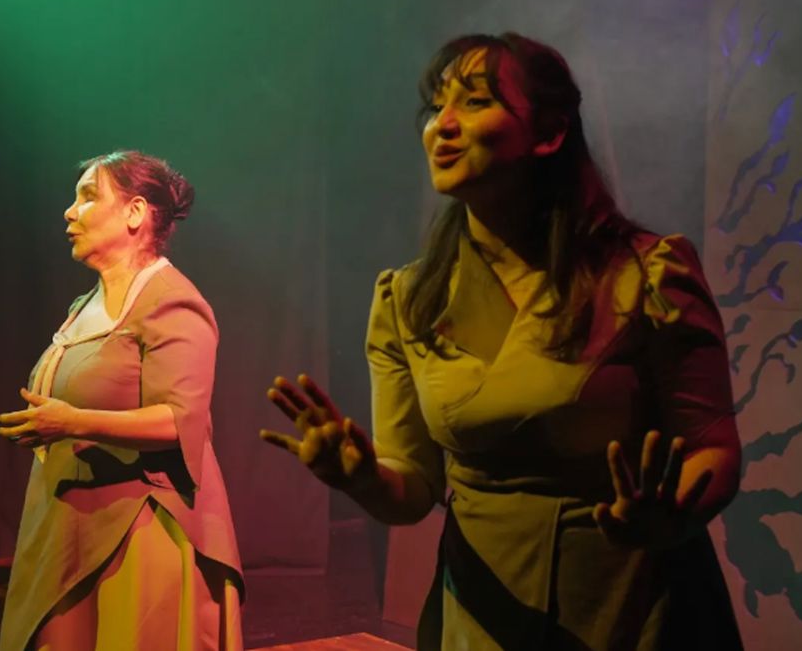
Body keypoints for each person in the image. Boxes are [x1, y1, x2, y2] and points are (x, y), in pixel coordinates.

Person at [260, 33, 743, 650]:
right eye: (436, 106)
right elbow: (413, 488)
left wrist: (673, 515)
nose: (442, 125)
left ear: (549, 132)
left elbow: (713, 447)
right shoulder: (408, 300)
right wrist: (360, 477)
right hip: (484, 615)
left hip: (633, 606)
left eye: (474, 101)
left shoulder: (647, 275)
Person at [0, 151, 243, 650]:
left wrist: (73, 422)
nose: (70, 211)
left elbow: (181, 421)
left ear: (135, 213)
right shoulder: (83, 305)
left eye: (88, 196)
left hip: (139, 526)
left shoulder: (171, 300)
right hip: (70, 524)